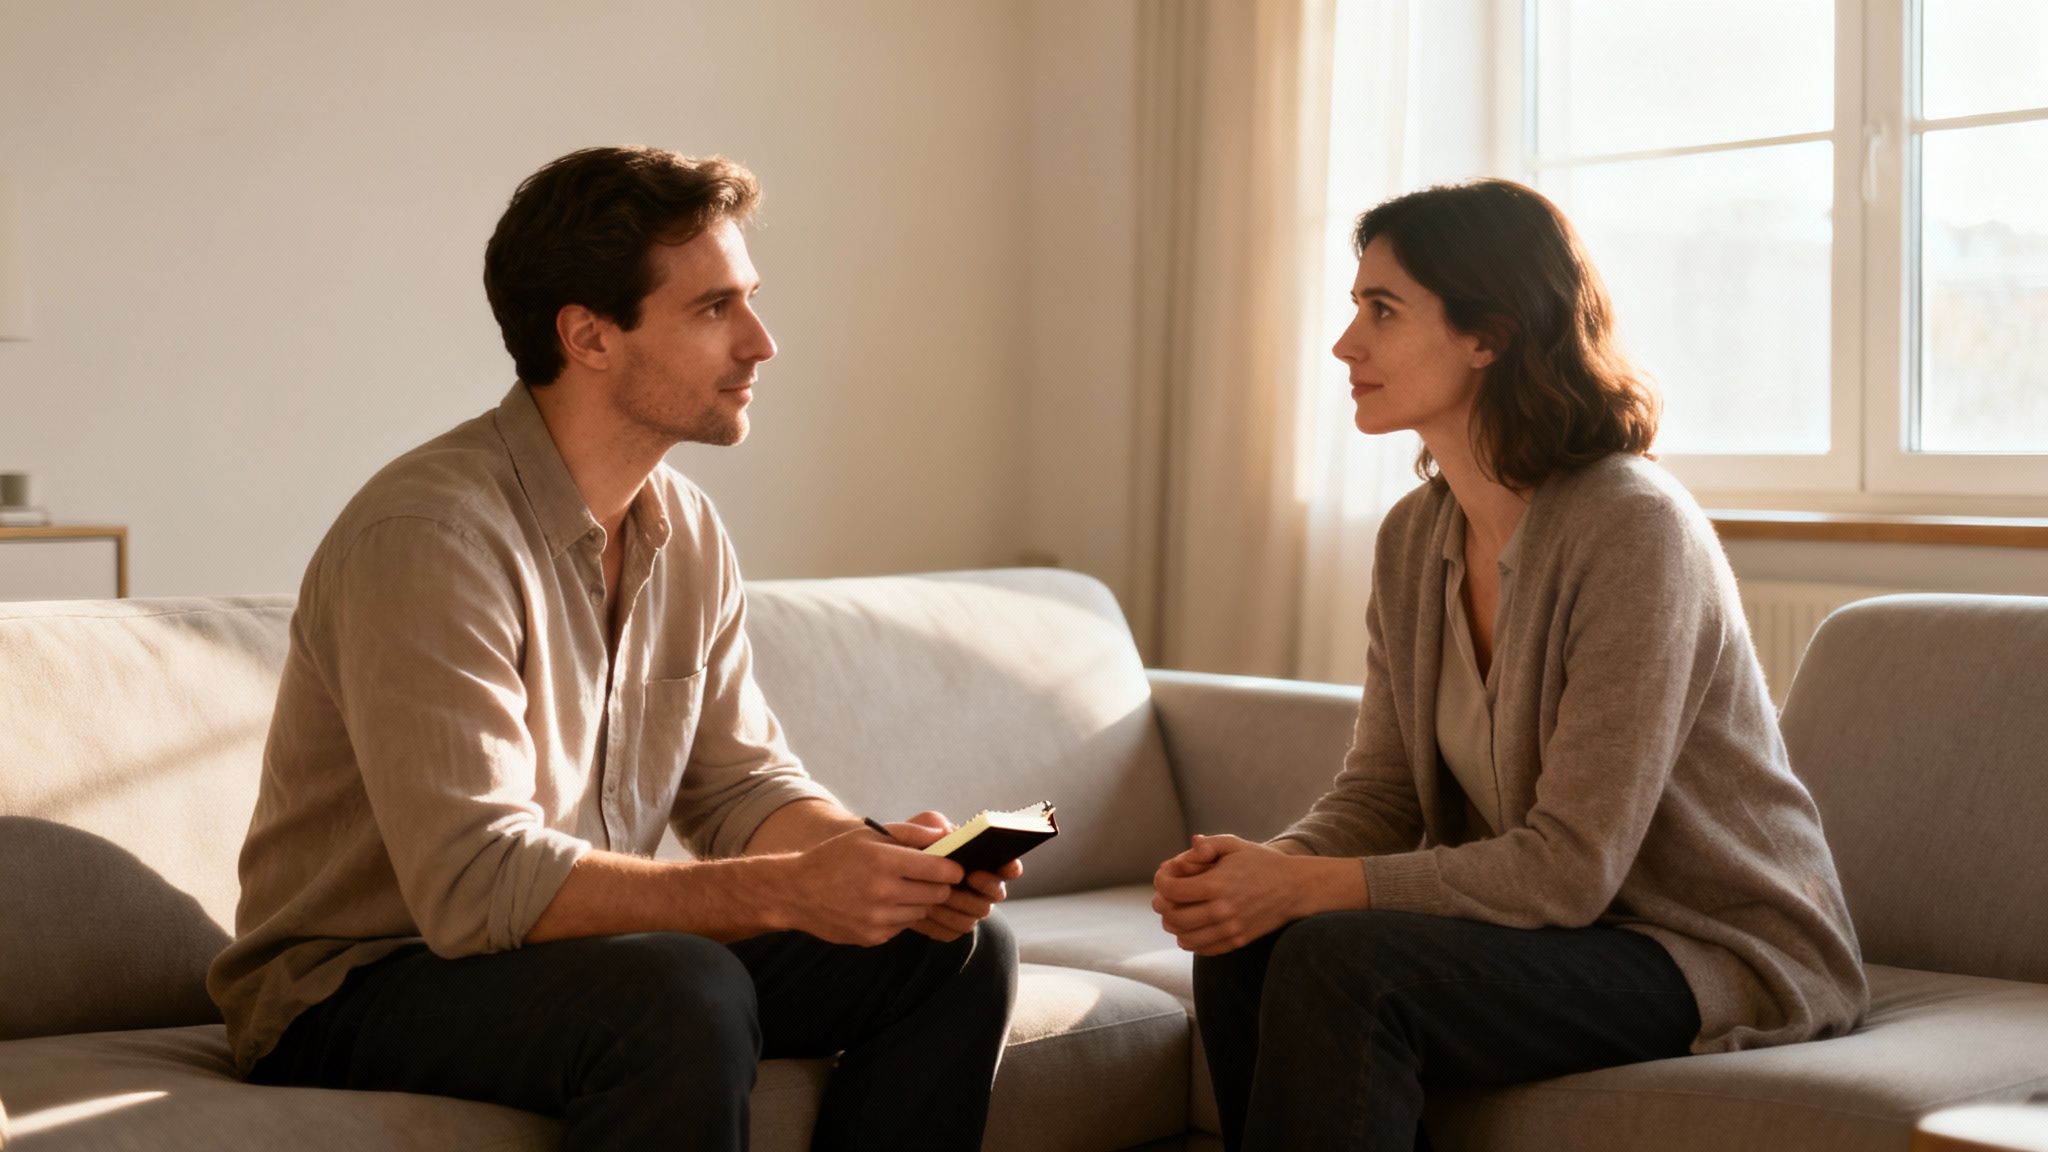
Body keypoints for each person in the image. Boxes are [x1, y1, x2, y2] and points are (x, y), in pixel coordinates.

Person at [207, 146, 1019, 1151]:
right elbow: (473, 883)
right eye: (714, 309)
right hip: (357, 983)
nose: (761, 343)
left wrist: (865, 858)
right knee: (679, 989)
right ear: (588, 336)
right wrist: (785, 891)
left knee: (947, 952)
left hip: (568, 956)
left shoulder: (683, 527)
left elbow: (737, 788)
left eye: (748, 300)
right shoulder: (430, 537)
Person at [1151, 178, 1868, 1151]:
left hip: (1704, 945)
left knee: (1336, 957)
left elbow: (1569, 868)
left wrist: (1310, 890)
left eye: (1380, 309)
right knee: (1246, 945)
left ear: (1486, 333)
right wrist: (1263, 871)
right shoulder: (1414, 538)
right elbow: (1379, 793)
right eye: (1352, 306)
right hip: (1560, 936)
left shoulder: (1631, 528)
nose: (1343, 344)